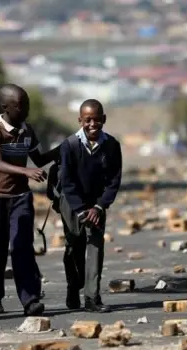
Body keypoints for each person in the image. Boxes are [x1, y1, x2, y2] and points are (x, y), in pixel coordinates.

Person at [0, 84, 60, 316]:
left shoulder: (28, 131)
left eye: (27, 104)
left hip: (21, 197)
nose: (26, 109)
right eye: (20, 105)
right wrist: (27, 172)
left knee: (22, 247)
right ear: (5, 107)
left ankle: (30, 299)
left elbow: (39, 157)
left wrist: (64, 149)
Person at [59, 99, 122, 313]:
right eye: (88, 120)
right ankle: (73, 287)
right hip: (72, 203)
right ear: (80, 121)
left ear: (104, 119)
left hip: (96, 205)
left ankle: (92, 298)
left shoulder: (112, 145)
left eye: (97, 119)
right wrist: (79, 210)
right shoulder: (69, 146)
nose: (92, 124)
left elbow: (114, 181)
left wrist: (99, 207)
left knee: (95, 247)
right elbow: (66, 182)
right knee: (74, 247)